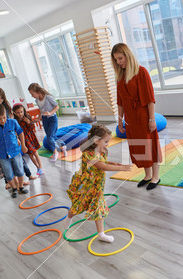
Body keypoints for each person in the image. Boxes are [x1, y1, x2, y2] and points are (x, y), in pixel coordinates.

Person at [64, 124, 131, 242]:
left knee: (98, 206)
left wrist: (115, 164)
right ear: (96, 141)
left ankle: (101, 234)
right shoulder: (88, 154)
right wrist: (122, 168)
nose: (108, 144)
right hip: (86, 185)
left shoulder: (103, 150)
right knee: (78, 206)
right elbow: (102, 166)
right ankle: (68, 219)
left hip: (97, 185)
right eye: (106, 141)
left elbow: (104, 162)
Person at [111, 43, 163, 190]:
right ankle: (147, 175)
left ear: (128, 55)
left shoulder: (142, 72)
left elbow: (150, 99)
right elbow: (120, 101)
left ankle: (156, 176)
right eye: (116, 60)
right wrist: (120, 120)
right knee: (139, 147)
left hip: (143, 116)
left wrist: (152, 119)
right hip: (130, 118)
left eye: (120, 58)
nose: (118, 62)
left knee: (149, 145)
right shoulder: (120, 77)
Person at [0, 87, 37, 188]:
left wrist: (16, 137)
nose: (0, 101)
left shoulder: (5, 106)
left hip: (10, 136)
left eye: (2, 98)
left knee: (18, 160)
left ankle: (25, 178)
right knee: (4, 163)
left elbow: (11, 123)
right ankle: (10, 182)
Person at [0, 104, 29, 198]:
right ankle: (14, 188)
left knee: (20, 170)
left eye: (4, 117)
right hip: (2, 155)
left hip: (15, 152)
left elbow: (20, 132)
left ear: (6, 114)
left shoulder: (13, 122)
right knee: (8, 174)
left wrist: (23, 145)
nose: (2, 120)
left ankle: (21, 186)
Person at [28, 83, 66, 162]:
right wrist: (38, 118)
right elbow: (41, 111)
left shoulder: (48, 97)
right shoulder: (37, 100)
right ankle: (63, 146)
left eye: (32, 94)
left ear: (37, 91)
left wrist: (50, 113)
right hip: (45, 120)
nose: (32, 96)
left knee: (49, 138)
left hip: (52, 119)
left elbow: (57, 106)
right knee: (51, 136)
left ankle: (55, 152)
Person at [13, 103, 44, 175]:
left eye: (21, 112)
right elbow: (16, 131)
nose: (20, 114)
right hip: (23, 139)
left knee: (35, 153)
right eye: (18, 112)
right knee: (30, 155)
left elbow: (32, 128)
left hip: (30, 137)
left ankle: (41, 168)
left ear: (24, 111)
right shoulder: (15, 121)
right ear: (14, 113)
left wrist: (29, 122)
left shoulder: (27, 117)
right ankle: (38, 168)